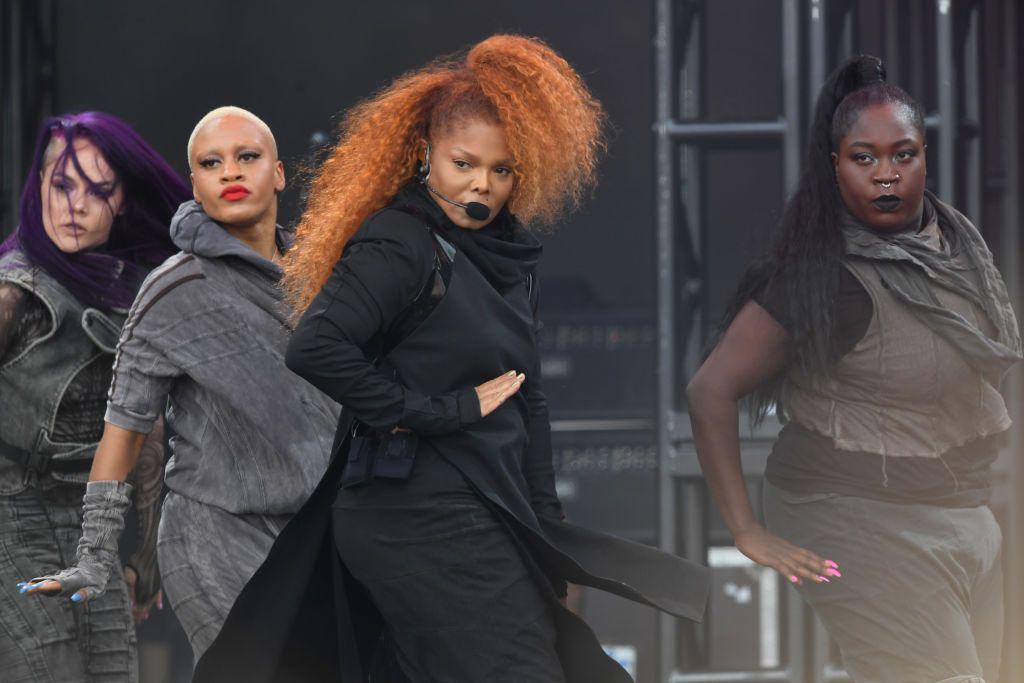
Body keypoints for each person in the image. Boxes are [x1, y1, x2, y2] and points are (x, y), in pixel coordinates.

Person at [194, 35, 710, 683]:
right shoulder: (400, 242)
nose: (482, 185)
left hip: (483, 508)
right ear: (424, 154)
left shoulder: (508, 258)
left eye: (502, 170)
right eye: (464, 163)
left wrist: (547, 530)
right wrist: (435, 410)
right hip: (412, 512)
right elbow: (316, 347)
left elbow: (530, 398)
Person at [687, 55, 1019, 682]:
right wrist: (745, 530)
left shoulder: (956, 248)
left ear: (925, 155)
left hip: (962, 512)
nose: (886, 176)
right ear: (835, 168)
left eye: (903, 155)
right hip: (855, 508)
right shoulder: (824, 277)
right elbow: (710, 390)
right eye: (863, 159)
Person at [21, 106, 341, 663]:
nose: (230, 173)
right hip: (215, 539)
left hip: (314, 535)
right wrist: (97, 556)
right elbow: (122, 434)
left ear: (280, 172)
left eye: (247, 157)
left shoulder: (321, 277)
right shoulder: (174, 290)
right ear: (195, 183)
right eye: (211, 163)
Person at [1, 111, 187, 681]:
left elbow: (145, 432)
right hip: (12, 512)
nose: (74, 206)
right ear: (40, 187)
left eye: (98, 191)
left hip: (89, 526)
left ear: (124, 200)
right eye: (62, 185)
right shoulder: (15, 293)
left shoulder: (126, 292)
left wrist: (146, 556)